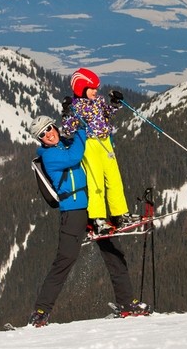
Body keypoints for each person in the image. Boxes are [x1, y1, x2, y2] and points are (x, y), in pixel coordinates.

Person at [27, 115, 149, 327]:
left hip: (93, 207)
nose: (49, 134)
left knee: (112, 250)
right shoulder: (49, 156)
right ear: (40, 140)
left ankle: (127, 303)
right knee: (65, 259)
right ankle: (41, 311)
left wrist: (78, 121)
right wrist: (82, 131)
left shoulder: (63, 144)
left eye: (49, 128)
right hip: (72, 211)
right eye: (43, 134)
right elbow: (75, 156)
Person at [61, 68, 138, 235]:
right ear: (81, 88)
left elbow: (107, 114)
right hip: (90, 144)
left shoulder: (99, 101)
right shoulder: (76, 107)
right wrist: (67, 112)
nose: (96, 91)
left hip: (106, 143)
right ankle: (98, 219)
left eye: (96, 88)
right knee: (96, 182)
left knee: (114, 178)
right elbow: (67, 129)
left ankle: (119, 214)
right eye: (92, 88)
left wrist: (115, 104)